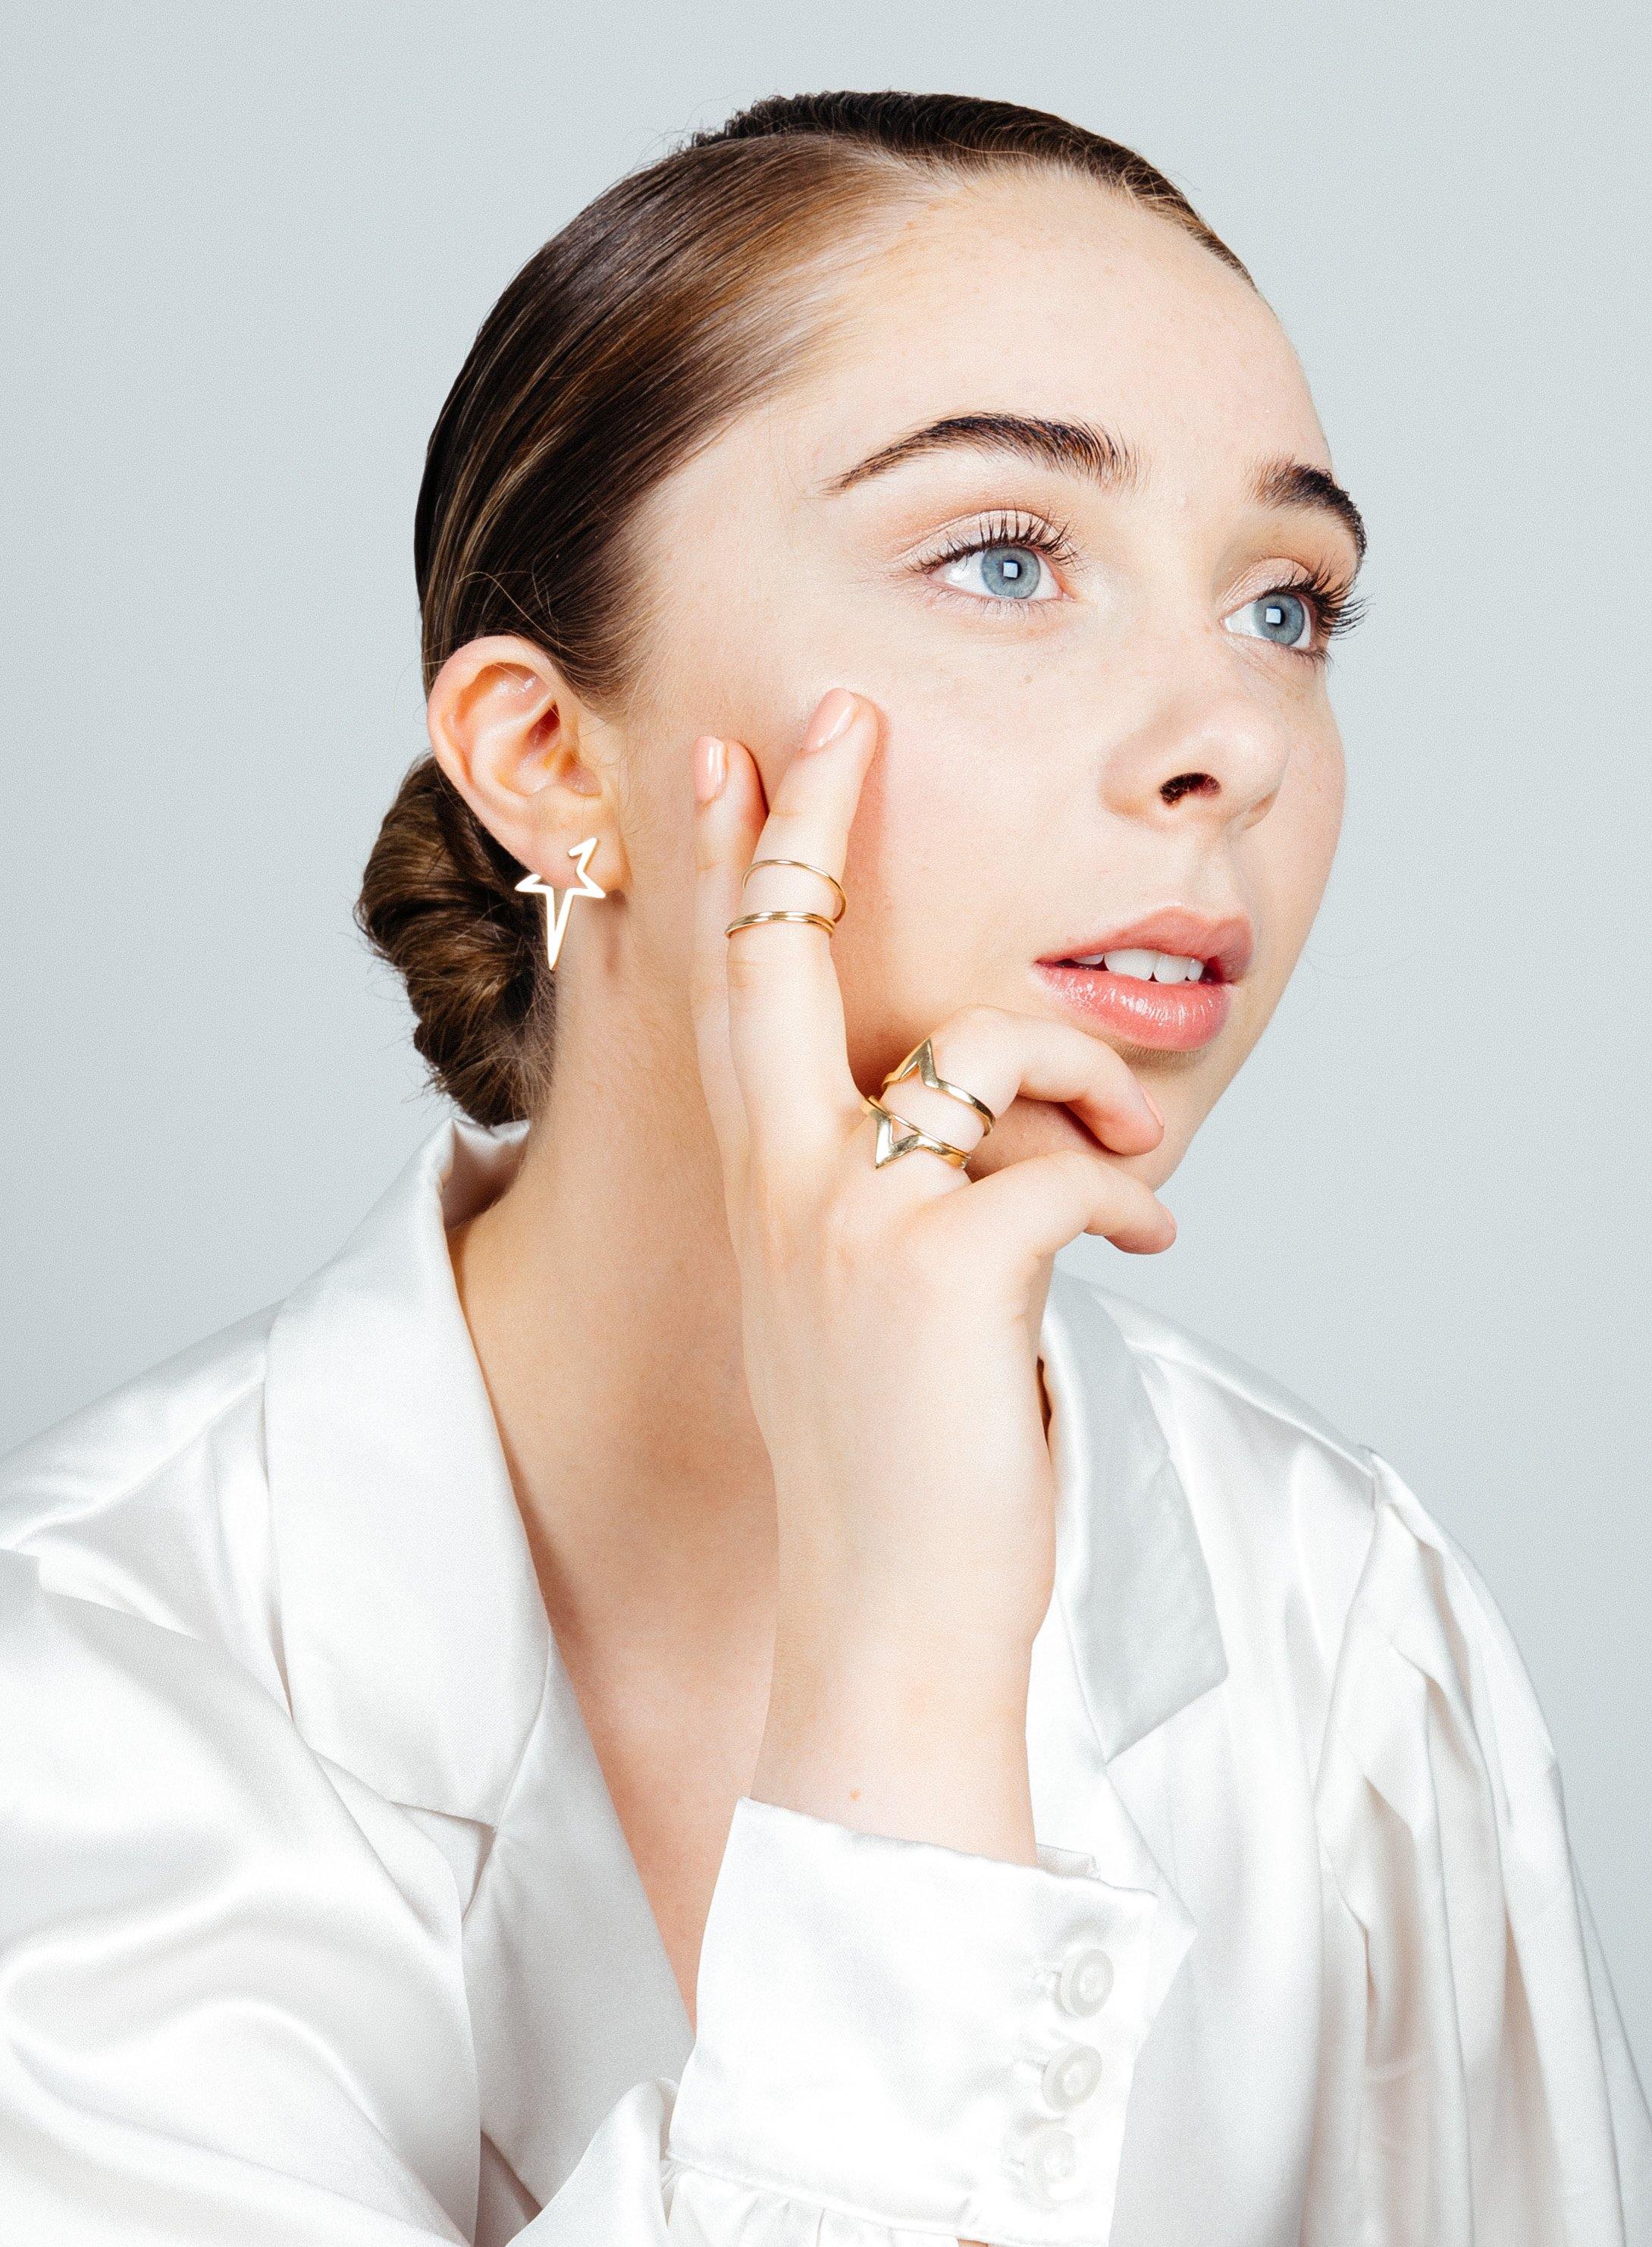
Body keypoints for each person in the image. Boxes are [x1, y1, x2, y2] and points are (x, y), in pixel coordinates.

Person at [1, 86, 1646, 2247]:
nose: (1229, 738)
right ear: (542, 755)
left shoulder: (1337, 1624)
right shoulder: (89, 1704)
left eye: (1285, 603)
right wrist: (894, 1657)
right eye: (1001, 555)